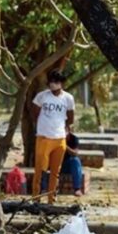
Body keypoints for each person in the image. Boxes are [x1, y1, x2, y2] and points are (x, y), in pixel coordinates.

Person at [31, 70, 75, 203]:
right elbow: (34, 113)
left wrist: (62, 127)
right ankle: (36, 198)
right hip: (44, 137)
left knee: (55, 171)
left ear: (61, 83)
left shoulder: (68, 98)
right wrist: (42, 126)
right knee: (40, 169)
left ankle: (51, 199)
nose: (52, 85)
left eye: (55, 82)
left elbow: (71, 118)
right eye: (50, 82)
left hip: (59, 138)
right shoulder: (42, 96)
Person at [42, 125, 84, 197]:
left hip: (66, 165)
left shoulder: (74, 139)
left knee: (75, 161)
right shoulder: (54, 139)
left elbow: (75, 153)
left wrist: (65, 146)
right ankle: (44, 189)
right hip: (55, 164)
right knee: (43, 162)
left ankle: (77, 189)